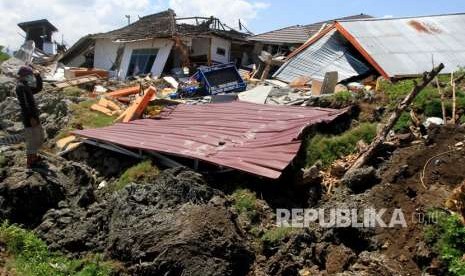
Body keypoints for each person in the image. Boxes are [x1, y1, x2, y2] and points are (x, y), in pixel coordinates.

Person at [15, 65, 44, 169]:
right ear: (23, 76)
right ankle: (31, 161)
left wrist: (38, 76)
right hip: (29, 117)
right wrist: (31, 118)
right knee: (32, 138)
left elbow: (38, 88)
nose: (30, 77)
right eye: (29, 75)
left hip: (33, 116)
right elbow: (25, 104)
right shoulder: (20, 87)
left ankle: (34, 157)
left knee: (38, 136)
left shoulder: (25, 85)